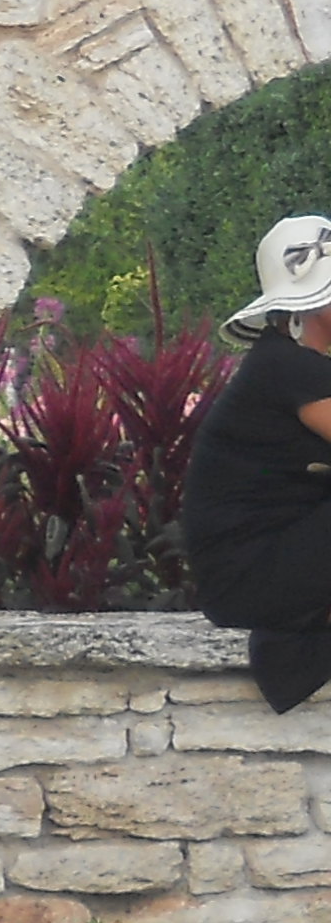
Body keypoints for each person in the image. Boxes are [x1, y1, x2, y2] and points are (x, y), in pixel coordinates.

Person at [184, 214, 331, 712]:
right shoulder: (292, 369)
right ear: (315, 303)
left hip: (247, 573)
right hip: (251, 577)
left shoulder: (284, 363)